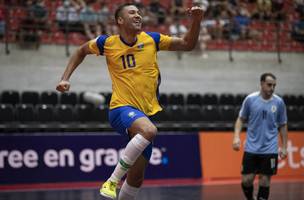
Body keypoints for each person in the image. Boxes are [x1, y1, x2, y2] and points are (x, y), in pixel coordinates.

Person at [56, 3, 204, 200]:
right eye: (132, 12)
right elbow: (80, 51)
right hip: (121, 109)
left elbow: (188, 44)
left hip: (144, 114)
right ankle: (112, 181)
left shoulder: (152, 39)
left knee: (136, 178)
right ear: (120, 20)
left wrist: (196, 21)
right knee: (150, 131)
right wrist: (65, 78)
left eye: (139, 13)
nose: (138, 16)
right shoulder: (106, 43)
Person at [232, 73, 288, 200]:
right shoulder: (250, 100)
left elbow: (283, 125)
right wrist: (236, 137)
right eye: (269, 85)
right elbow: (241, 119)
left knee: (265, 180)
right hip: (251, 147)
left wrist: (284, 147)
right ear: (262, 84)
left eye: (274, 85)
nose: (272, 88)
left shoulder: (279, 102)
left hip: (270, 148)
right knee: (247, 180)